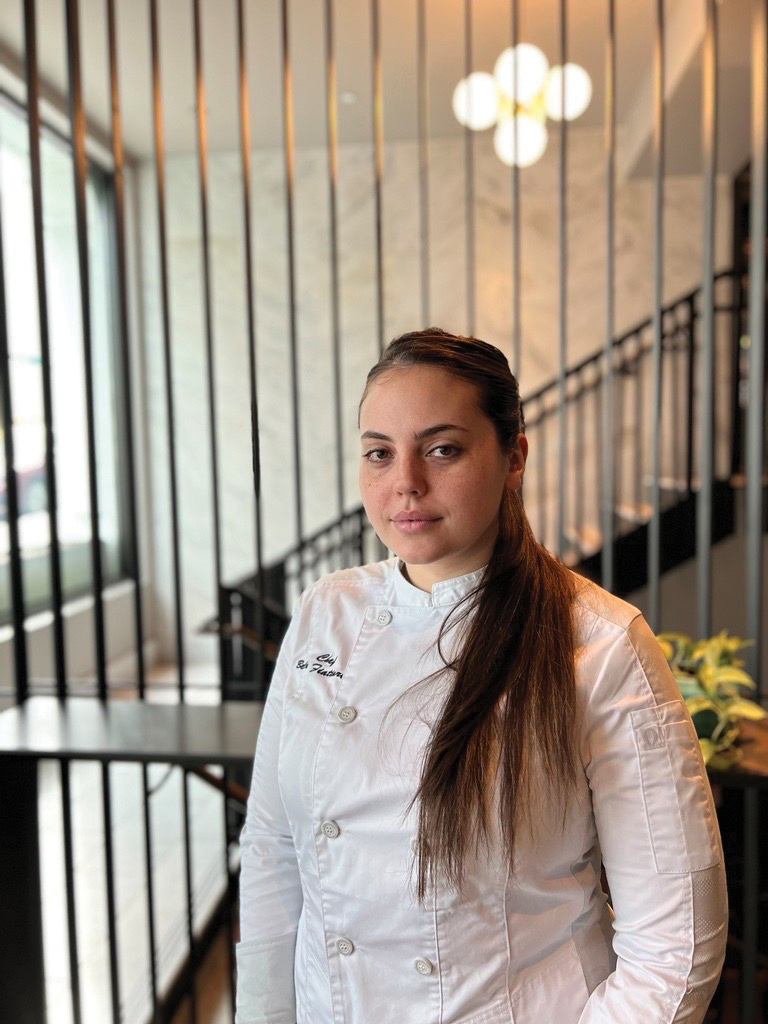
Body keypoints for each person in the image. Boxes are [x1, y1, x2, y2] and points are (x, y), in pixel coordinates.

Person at [236, 329, 728, 1024]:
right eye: (379, 452)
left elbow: (675, 946)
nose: (405, 482)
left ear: (513, 457)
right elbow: (273, 845)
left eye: (442, 449)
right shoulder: (328, 611)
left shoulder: (601, 644)